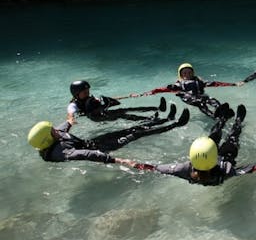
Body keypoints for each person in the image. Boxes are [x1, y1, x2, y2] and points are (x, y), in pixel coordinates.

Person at [121, 105, 256, 186]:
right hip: (226, 158)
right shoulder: (226, 171)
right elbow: (254, 167)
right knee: (232, 137)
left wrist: (130, 163)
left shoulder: (184, 169)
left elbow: (154, 168)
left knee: (216, 135)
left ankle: (222, 120)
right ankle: (237, 121)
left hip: (213, 159)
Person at [28, 104, 189, 164]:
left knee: (128, 130)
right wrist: (116, 160)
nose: (56, 129)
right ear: (48, 138)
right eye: (52, 131)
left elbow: (66, 124)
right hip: (100, 149)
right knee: (135, 135)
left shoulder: (53, 136)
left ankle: (163, 119)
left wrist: (71, 117)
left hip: (92, 142)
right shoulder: (61, 152)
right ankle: (175, 124)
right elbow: (87, 155)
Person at [139, 63, 236, 119]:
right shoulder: (179, 84)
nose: (187, 74)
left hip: (201, 96)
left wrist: (233, 84)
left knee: (212, 100)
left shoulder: (199, 81)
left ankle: (221, 110)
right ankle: (213, 116)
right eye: (184, 73)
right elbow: (163, 89)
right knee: (200, 104)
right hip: (188, 98)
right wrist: (149, 92)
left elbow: (215, 83)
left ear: (193, 73)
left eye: (189, 72)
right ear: (180, 75)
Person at [67, 80, 162, 123]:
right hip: (96, 118)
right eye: (84, 92)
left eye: (88, 91)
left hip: (101, 112)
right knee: (122, 115)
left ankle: (156, 108)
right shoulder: (73, 105)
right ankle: (148, 119)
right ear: (76, 94)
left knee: (126, 109)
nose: (87, 93)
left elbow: (109, 99)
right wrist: (71, 120)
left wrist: (128, 96)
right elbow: (70, 114)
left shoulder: (90, 99)